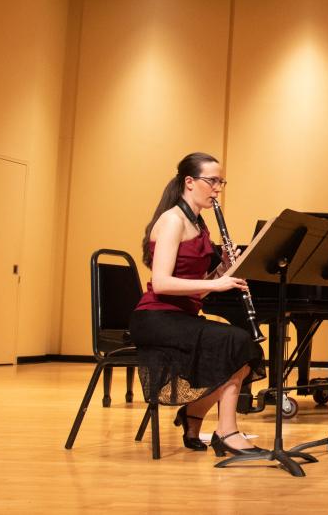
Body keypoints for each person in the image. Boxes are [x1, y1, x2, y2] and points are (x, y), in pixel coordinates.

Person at [130, 152, 268, 458]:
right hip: (155, 318)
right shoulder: (172, 221)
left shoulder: (200, 225)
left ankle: (193, 414)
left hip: (181, 315)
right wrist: (216, 283)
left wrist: (223, 272)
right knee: (236, 340)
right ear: (189, 182)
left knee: (247, 349)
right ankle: (227, 432)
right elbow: (163, 283)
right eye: (213, 181)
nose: (218, 188)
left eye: (221, 181)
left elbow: (194, 292)